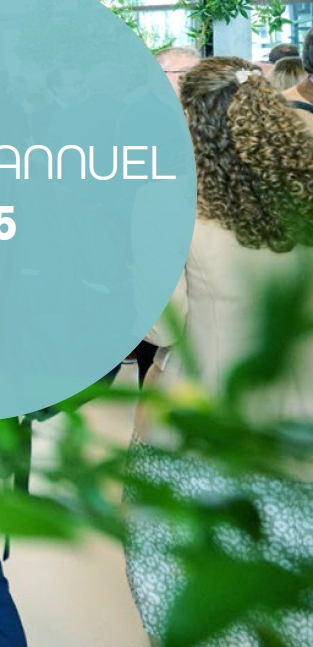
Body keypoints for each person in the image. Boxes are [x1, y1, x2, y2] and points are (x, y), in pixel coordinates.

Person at [126, 57, 313, 644]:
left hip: (203, 431)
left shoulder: (170, 203)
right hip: (300, 435)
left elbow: (161, 330)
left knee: (189, 603)